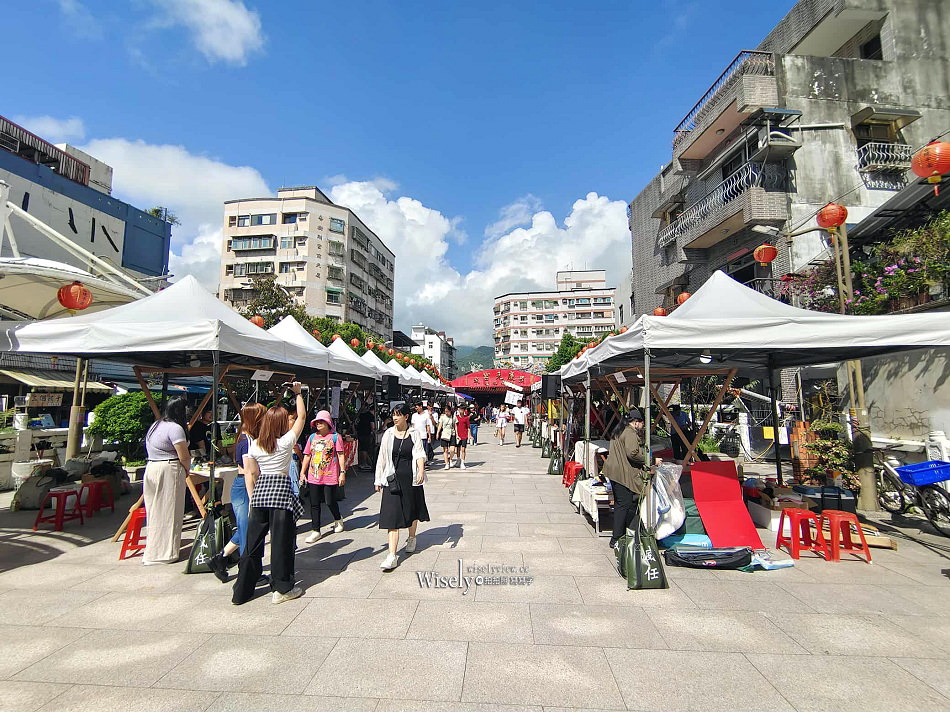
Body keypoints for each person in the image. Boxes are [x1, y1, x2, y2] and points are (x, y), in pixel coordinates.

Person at [232, 382, 307, 605]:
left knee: (253, 543)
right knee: (281, 542)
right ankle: (281, 588)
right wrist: (298, 394)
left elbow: (251, 473)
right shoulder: (285, 442)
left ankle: (242, 590)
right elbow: (301, 418)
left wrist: (253, 497)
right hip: (281, 493)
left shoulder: (254, 445)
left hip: (260, 493)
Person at [208, 402, 265, 582]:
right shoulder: (246, 440)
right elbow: (249, 471)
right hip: (245, 487)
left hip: (244, 485)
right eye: (262, 416)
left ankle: (221, 558)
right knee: (249, 530)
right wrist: (253, 497)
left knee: (246, 529)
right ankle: (248, 572)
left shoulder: (243, 437)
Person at [375, 403, 429, 571]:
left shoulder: (414, 433)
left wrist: (421, 471)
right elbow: (382, 457)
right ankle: (392, 555)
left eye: (398, 414)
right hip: (392, 479)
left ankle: (412, 537)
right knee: (392, 516)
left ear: (406, 416)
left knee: (411, 509)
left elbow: (419, 453)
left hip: (411, 478)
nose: (395, 417)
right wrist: (378, 479)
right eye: (393, 414)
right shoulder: (388, 434)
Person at [142, 396, 191, 565]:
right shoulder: (175, 428)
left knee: (155, 511)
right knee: (171, 511)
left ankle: (153, 550)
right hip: (168, 468)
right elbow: (183, 455)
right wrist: (187, 469)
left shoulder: (156, 425)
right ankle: (166, 553)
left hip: (151, 467)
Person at [601, 409, 648, 550]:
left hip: (614, 472)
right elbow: (633, 453)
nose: (642, 426)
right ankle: (617, 538)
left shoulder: (619, 430)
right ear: (635, 422)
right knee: (624, 505)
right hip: (622, 474)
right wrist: (649, 459)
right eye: (641, 423)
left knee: (623, 504)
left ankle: (624, 534)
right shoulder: (629, 433)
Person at [300, 410, 347, 544]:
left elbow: (340, 454)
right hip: (313, 475)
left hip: (330, 474)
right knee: (314, 503)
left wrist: (342, 472)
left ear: (328, 423)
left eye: (321, 421)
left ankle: (338, 519)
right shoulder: (312, 437)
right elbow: (307, 455)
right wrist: (302, 472)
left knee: (329, 501)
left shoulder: (335, 437)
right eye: (317, 422)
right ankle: (316, 530)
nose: (319, 424)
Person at [437, 403, 457, 468]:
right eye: (445, 411)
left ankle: (450, 459)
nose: (446, 413)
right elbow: (440, 425)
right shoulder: (442, 417)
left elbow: (455, 426)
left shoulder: (453, 417)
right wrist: (438, 433)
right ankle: (446, 463)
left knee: (452, 450)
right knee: (445, 450)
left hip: (452, 434)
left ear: (450, 411)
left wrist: (457, 434)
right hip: (444, 434)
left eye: (447, 411)